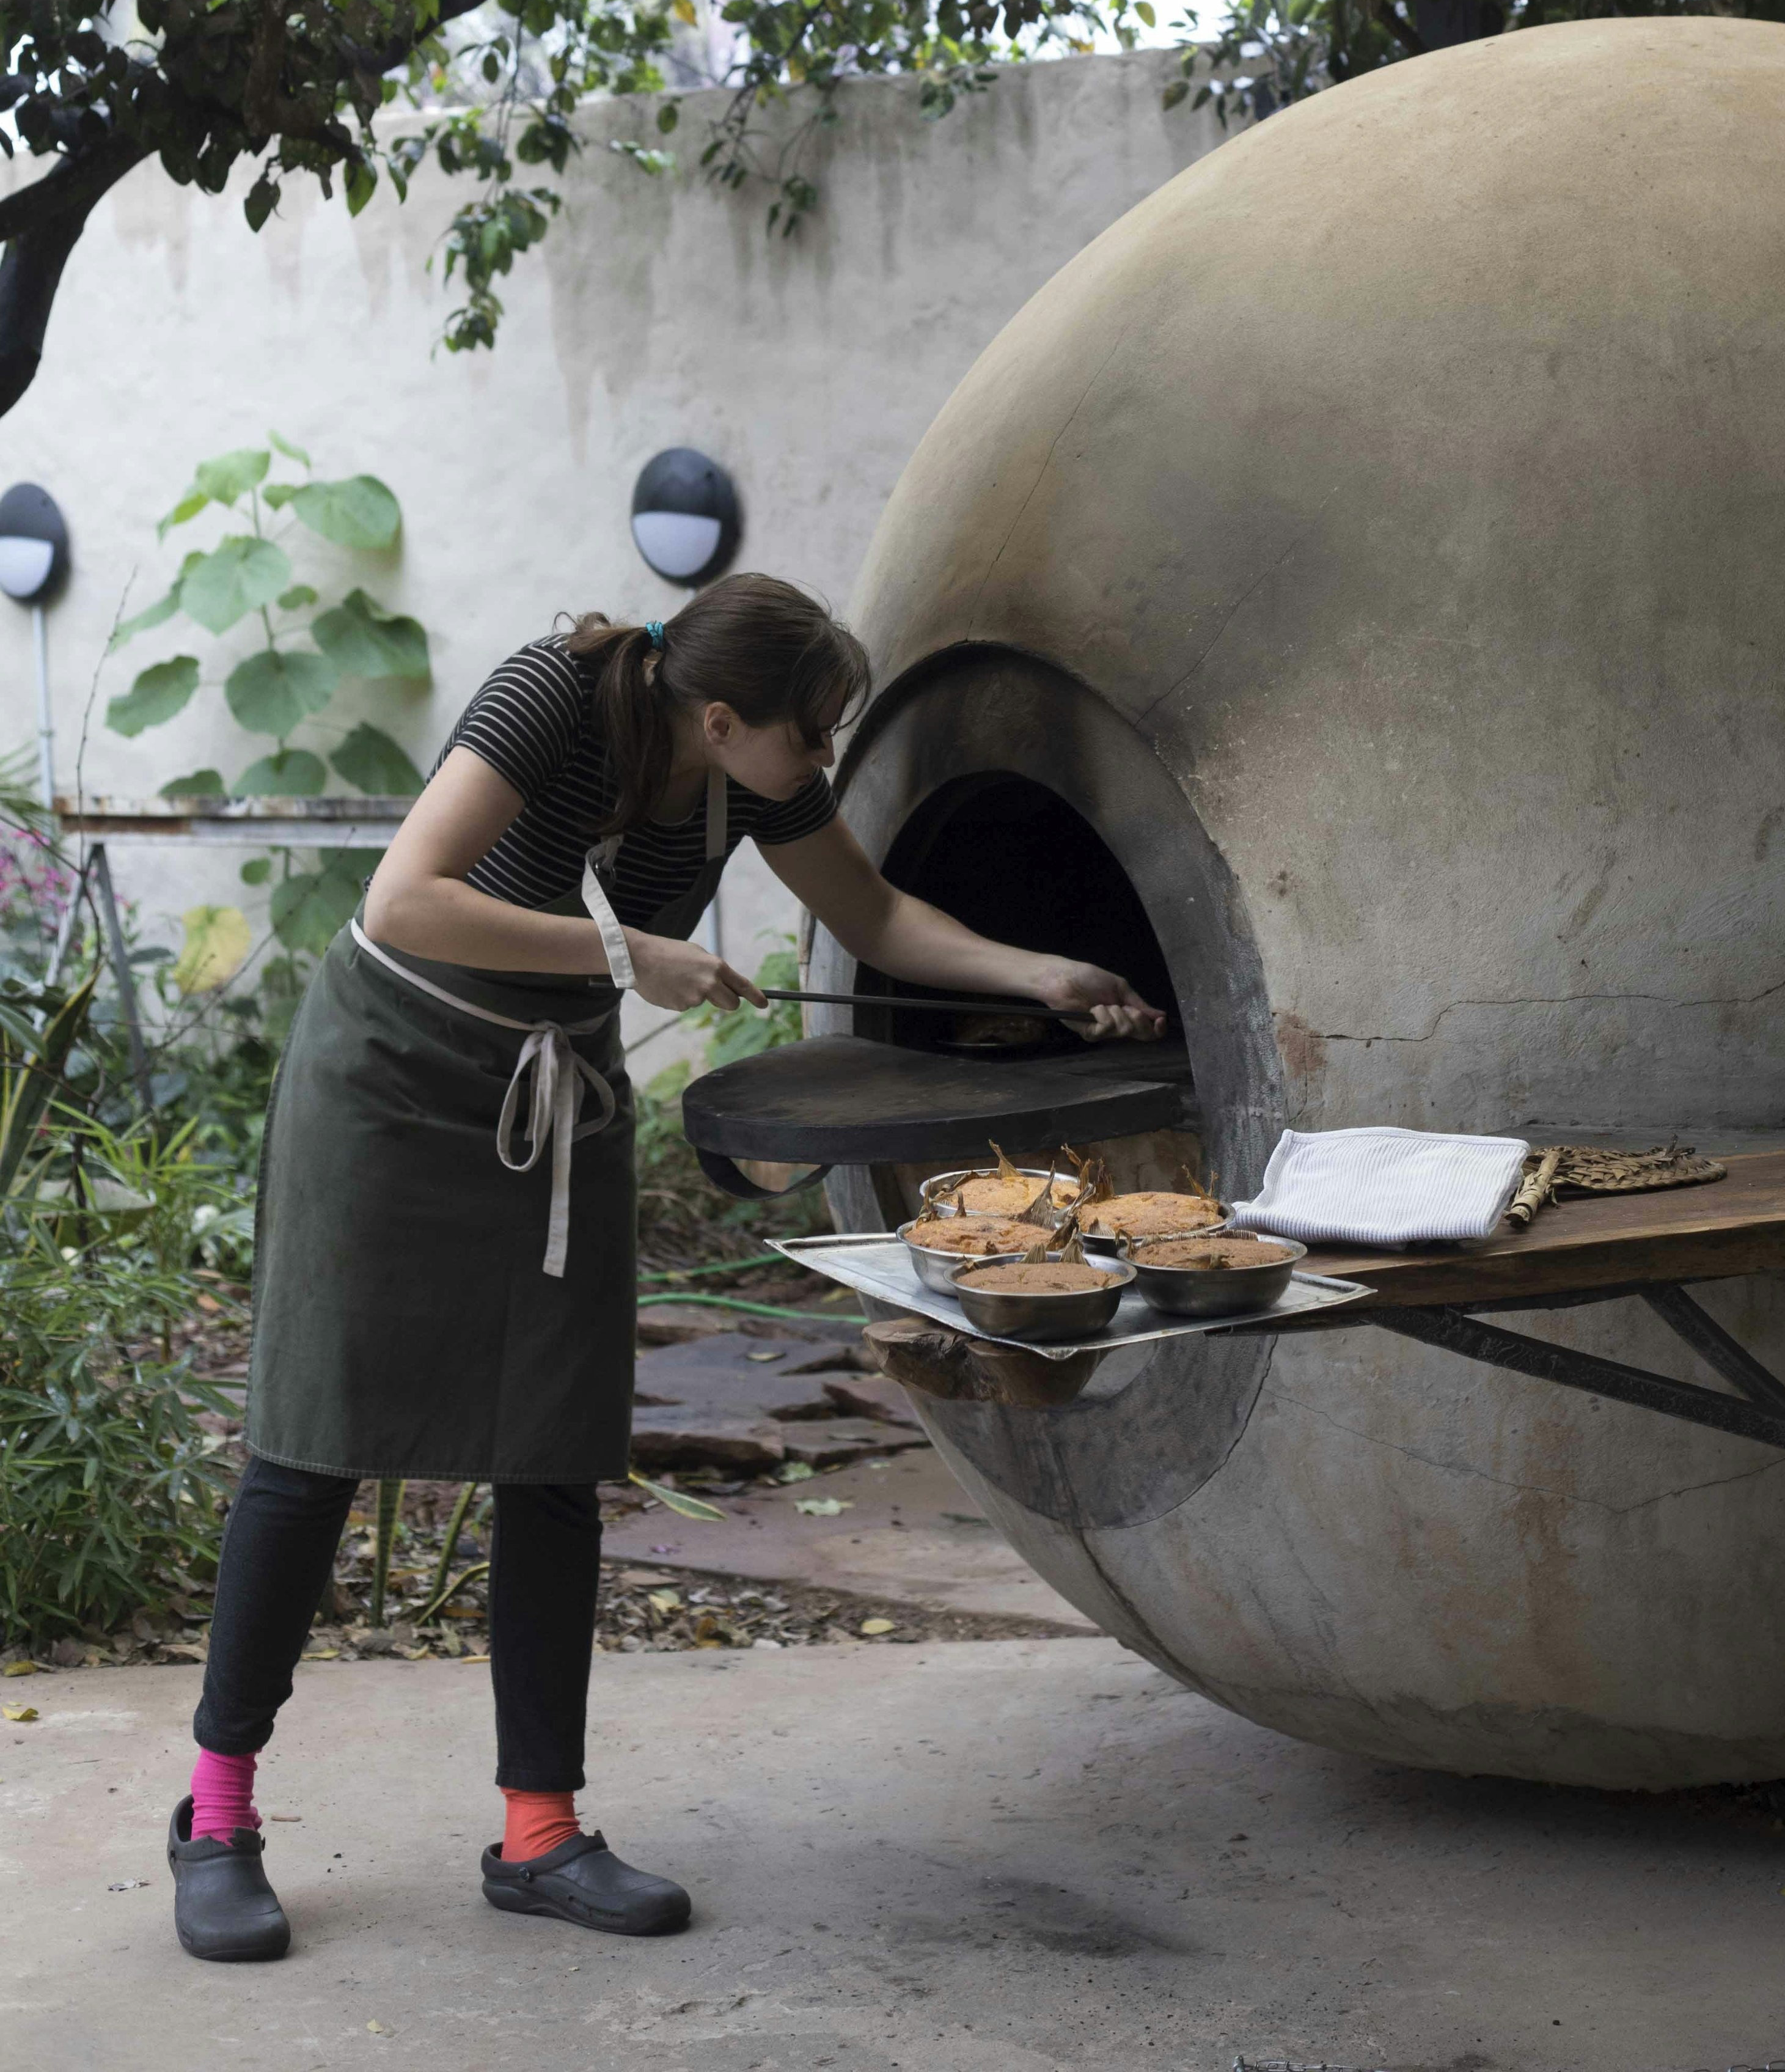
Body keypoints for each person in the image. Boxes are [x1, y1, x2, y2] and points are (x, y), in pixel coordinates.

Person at [166, 573, 1160, 1963]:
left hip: (553, 1092)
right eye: (808, 741)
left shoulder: (749, 776)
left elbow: (872, 917)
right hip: (393, 1075)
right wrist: (628, 951)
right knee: (313, 1442)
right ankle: (215, 1821)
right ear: (717, 712)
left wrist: (1038, 972)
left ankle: (539, 1834)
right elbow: (407, 901)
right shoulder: (547, 700)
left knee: (551, 1454)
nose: (816, 766)